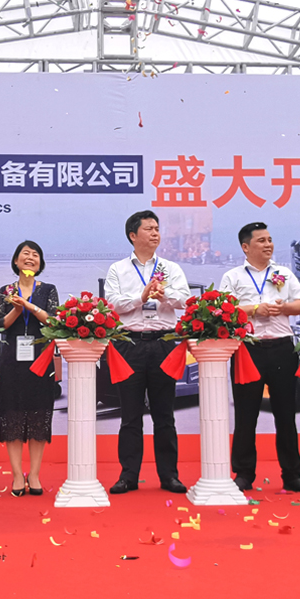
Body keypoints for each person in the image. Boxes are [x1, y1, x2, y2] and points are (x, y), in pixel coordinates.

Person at [220, 222, 300, 493]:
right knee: (246, 414)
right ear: (246, 247)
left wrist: (283, 308)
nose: (268, 245)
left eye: (270, 239)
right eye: (261, 240)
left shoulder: (283, 273)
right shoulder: (233, 276)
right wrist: (254, 310)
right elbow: (223, 310)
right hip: (248, 350)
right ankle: (243, 474)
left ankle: (292, 474)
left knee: (286, 413)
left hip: (282, 348)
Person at [105, 210, 191, 494]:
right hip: (129, 344)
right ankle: (128, 476)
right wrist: (141, 297)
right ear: (133, 235)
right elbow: (112, 304)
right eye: (149, 229)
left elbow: (185, 299)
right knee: (130, 415)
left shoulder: (170, 268)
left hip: (163, 343)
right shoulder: (118, 269)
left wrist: (164, 295)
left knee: (164, 415)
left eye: (157, 229)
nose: (155, 233)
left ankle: (169, 476)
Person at [0, 240, 58, 496]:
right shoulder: (6, 291)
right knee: (13, 416)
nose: (30, 258)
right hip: (12, 360)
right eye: (25, 254)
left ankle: (35, 474)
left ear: (40, 263)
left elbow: (53, 321)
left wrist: (30, 306)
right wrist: (17, 310)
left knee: (39, 417)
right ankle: (18, 474)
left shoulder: (48, 289)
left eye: (35, 255)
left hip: (40, 358)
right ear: (16, 261)